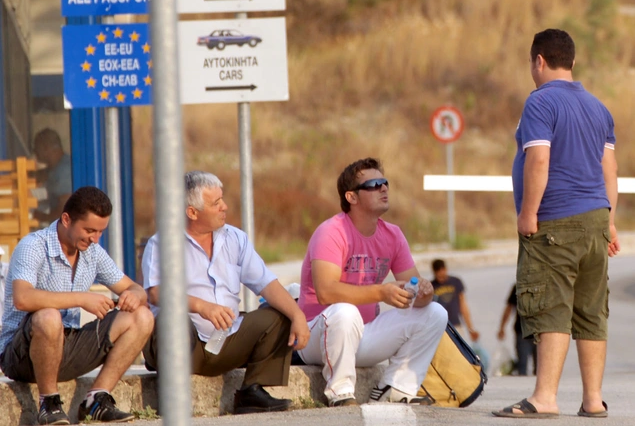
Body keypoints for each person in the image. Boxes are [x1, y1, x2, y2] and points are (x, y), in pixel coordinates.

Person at [494, 29, 620, 419]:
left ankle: (545, 398)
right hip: (597, 219)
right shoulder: (599, 107)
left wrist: (528, 212)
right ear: (573, 62)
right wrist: (610, 222)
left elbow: (539, 160)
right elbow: (609, 170)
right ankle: (593, 399)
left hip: (555, 221)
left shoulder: (540, 103)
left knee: (551, 306)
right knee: (590, 311)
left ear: (539, 61)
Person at [140, 172, 310, 415]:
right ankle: (173, 396)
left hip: (227, 340)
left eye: (222, 199)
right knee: (172, 319)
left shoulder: (235, 238)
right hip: (185, 346)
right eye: (216, 203)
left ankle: (252, 392)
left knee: (279, 315)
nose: (225, 207)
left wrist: (298, 315)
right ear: (192, 212)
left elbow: (266, 283)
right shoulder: (162, 243)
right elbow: (155, 293)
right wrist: (202, 306)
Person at [295, 159, 448, 407]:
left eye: (385, 183)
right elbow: (326, 292)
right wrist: (381, 292)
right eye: (374, 184)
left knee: (435, 313)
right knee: (346, 312)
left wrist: (424, 291)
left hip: (362, 335)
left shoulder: (393, 235)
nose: (384, 188)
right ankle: (341, 393)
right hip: (316, 335)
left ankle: (396, 388)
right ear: (351, 197)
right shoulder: (331, 232)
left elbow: (415, 290)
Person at [0, 187, 154, 424]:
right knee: (49, 317)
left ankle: (97, 399)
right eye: (90, 230)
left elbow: (136, 289)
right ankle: (49, 403)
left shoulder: (93, 251)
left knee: (142, 316)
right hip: (20, 354)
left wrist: (134, 295)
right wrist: (83, 299)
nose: (95, 238)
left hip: (67, 346)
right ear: (66, 219)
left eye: (101, 232)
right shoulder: (33, 245)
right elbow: (23, 298)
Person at [431, 259, 479, 342]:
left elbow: (463, 306)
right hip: (440, 328)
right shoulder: (431, 286)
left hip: (456, 326)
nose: (441, 279)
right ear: (434, 272)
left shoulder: (456, 282)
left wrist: (470, 329)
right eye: (438, 276)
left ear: (445, 269)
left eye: (442, 275)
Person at [33, 130, 72, 223]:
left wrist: (40, 217)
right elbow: (41, 175)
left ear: (46, 148)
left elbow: (64, 211)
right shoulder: (55, 168)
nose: (35, 153)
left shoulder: (64, 171)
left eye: (36, 148)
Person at [497, 284, 535, 377]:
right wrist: (502, 328)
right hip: (522, 331)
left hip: (541, 332)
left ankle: (539, 388)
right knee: (523, 365)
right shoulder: (518, 286)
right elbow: (509, 308)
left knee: (541, 367)